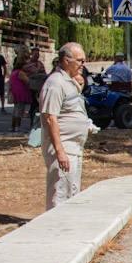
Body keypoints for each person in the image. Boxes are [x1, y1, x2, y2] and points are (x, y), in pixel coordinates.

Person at [40, 42, 91, 209]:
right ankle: (55, 230)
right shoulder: (55, 83)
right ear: (66, 60)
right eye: (80, 61)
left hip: (74, 148)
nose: (83, 65)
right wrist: (60, 152)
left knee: (72, 191)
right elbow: (50, 118)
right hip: (63, 148)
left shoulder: (68, 81)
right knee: (60, 193)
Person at [8, 52, 33, 132]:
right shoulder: (21, 73)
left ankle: (13, 126)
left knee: (15, 110)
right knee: (19, 111)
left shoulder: (14, 72)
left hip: (15, 93)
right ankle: (17, 127)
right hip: (21, 94)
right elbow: (28, 81)